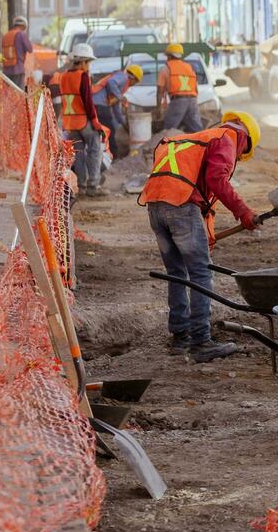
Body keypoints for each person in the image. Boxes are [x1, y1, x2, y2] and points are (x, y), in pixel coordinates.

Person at [137, 111, 262, 362]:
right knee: (201, 273)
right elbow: (216, 179)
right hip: (181, 208)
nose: (238, 157)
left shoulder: (194, 139)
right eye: (242, 154)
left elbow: (199, 193)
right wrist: (243, 211)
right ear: (245, 138)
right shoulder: (227, 138)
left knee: (177, 273)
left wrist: (207, 236)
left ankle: (180, 337)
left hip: (156, 207)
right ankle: (201, 341)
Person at [51, 43, 107, 196]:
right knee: (95, 150)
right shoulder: (82, 76)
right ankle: (93, 186)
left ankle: (81, 186)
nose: (89, 66)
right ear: (82, 62)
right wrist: (95, 120)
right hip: (84, 121)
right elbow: (88, 101)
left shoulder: (63, 77)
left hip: (70, 123)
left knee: (79, 154)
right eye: (88, 62)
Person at [93, 62, 143, 159]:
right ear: (133, 78)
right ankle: (113, 157)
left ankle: (106, 155)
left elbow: (116, 109)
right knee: (109, 131)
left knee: (106, 130)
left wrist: (123, 123)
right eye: (135, 83)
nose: (132, 85)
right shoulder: (123, 77)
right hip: (98, 105)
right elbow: (111, 82)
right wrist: (121, 98)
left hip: (99, 105)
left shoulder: (120, 86)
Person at [158, 42, 201, 133]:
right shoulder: (189, 67)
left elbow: (160, 91)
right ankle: (203, 145)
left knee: (168, 129)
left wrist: (158, 108)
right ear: (180, 56)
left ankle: (165, 146)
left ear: (169, 56)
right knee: (196, 130)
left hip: (178, 101)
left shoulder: (166, 68)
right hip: (192, 101)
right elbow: (196, 88)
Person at [1, 14, 34, 89]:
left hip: (6, 70)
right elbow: (30, 49)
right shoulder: (21, 34)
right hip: (18, 69)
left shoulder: (6, 35)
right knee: (18, 93)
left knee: (8, 93)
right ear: (23, 26)